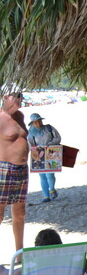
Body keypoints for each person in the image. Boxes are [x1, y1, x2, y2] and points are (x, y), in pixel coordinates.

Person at [0, 92, 30, 251]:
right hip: (3, 168)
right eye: (15, 96)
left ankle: (20, 252)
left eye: (20, 96)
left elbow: (23, 139)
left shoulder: (20, 116)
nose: (19, 100)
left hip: (22, 169)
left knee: (20, 213)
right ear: (5, 96)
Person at [26, 113, 62, 203]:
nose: (38, 123)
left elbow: (58, 138)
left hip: (51, 152)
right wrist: (34, 148)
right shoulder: (30, 133)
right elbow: (29, 144)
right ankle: (46, 196)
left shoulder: (49, 128)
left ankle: (52, 189)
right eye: (35, 122)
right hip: (37, 154)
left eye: (39, 121)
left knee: (50, 173)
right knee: (42, 175)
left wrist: (49, 144)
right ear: (32, 123)